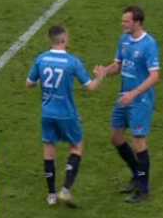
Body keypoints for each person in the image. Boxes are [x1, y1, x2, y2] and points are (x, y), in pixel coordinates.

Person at [25, 25, 104, 207]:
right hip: (66, 114)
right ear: (64, 39)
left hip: (47, 113)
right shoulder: (72, 62)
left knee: (49, 148)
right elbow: (90, 87)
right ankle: (65, 190)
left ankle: (51, 195)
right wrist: (100, 76)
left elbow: (29, 83)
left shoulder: (41, 59)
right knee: (77, 146)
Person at [93, 6, 160, 204]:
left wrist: (135, 93)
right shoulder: (124, 40)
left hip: (140, 99)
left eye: (126, 21)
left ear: (137, 22)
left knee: (139, 142)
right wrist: (104, 71)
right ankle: (136, 175)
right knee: (116, 138)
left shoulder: (149, 44)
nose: (123, 24)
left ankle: (143, 189)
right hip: (124, 97)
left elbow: (155, 76)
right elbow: (119, 66)